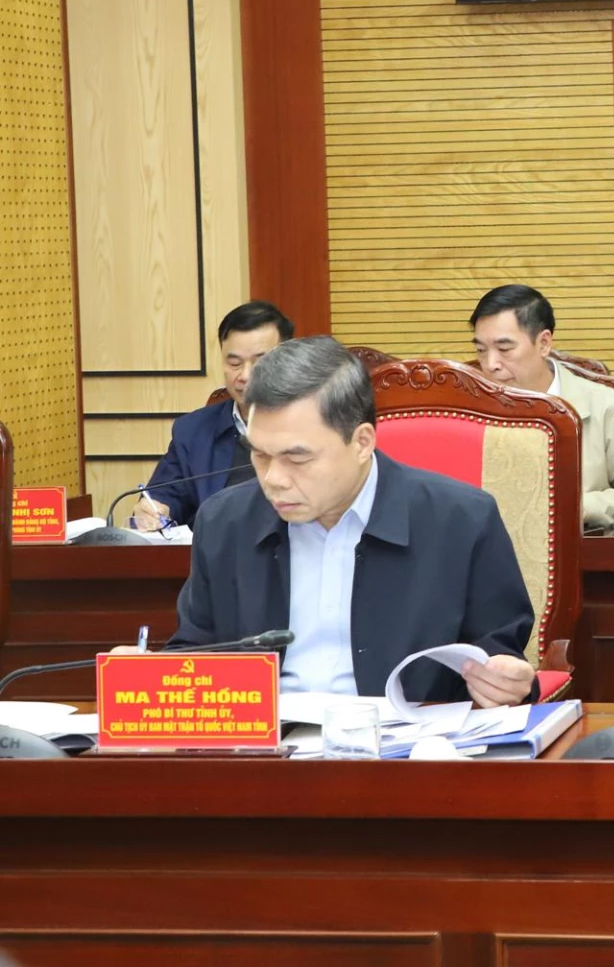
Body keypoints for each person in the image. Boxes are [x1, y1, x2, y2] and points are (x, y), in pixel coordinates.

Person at [168, 337, 536, 705]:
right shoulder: (224, 523)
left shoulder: (462, 521)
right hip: (269, 737)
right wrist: (155, 676)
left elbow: (501, 661)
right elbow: (194, 653)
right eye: (261, 456)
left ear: (361, 442)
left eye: (297, 459)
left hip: (409, 736)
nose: (274, 479)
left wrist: (506, 684)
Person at [470, 284, 614, 529]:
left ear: (543, 343)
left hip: (576, 545)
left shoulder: (607, 407)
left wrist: (577, 507)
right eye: (481, 350)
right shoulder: (463, 412)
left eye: (504, 349)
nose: (490, 364)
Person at [134, 301, 293, 530]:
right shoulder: (193, 431)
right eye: (234, 363)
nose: (245, 375)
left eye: (260, 362)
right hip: (217, 549)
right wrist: (154, 510)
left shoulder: (315, 425)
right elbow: (165, 496)